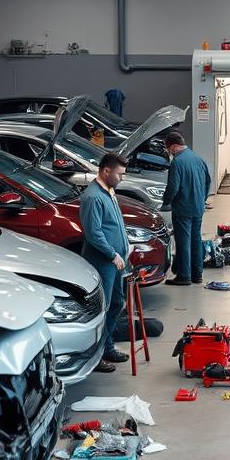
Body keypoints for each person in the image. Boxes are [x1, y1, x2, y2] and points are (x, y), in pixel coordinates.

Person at [79, 153, 134, 373]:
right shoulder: (92, 197)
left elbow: (116, 223)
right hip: (103, 262)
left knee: (117, 303)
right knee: (103, 308)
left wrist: (126, 245)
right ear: (106, 171)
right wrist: (112, 254)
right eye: (119, 174)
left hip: (117, 262)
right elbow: (94, 233)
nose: (122, 178)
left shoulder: (109, 192)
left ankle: (107, 346)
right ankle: (96, 355)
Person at [161, 131, 210, 286]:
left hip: (183, 208)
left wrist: (166, 202)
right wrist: (202, 200)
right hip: (198, 207)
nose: (169, 152)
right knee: (196, 239)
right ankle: (198, 274)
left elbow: (173, 187)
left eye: (168, 149)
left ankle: (184, 276)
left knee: (183, 241)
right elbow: (208, 183)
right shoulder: (198, 159)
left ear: (174, 147)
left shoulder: (177, 162)